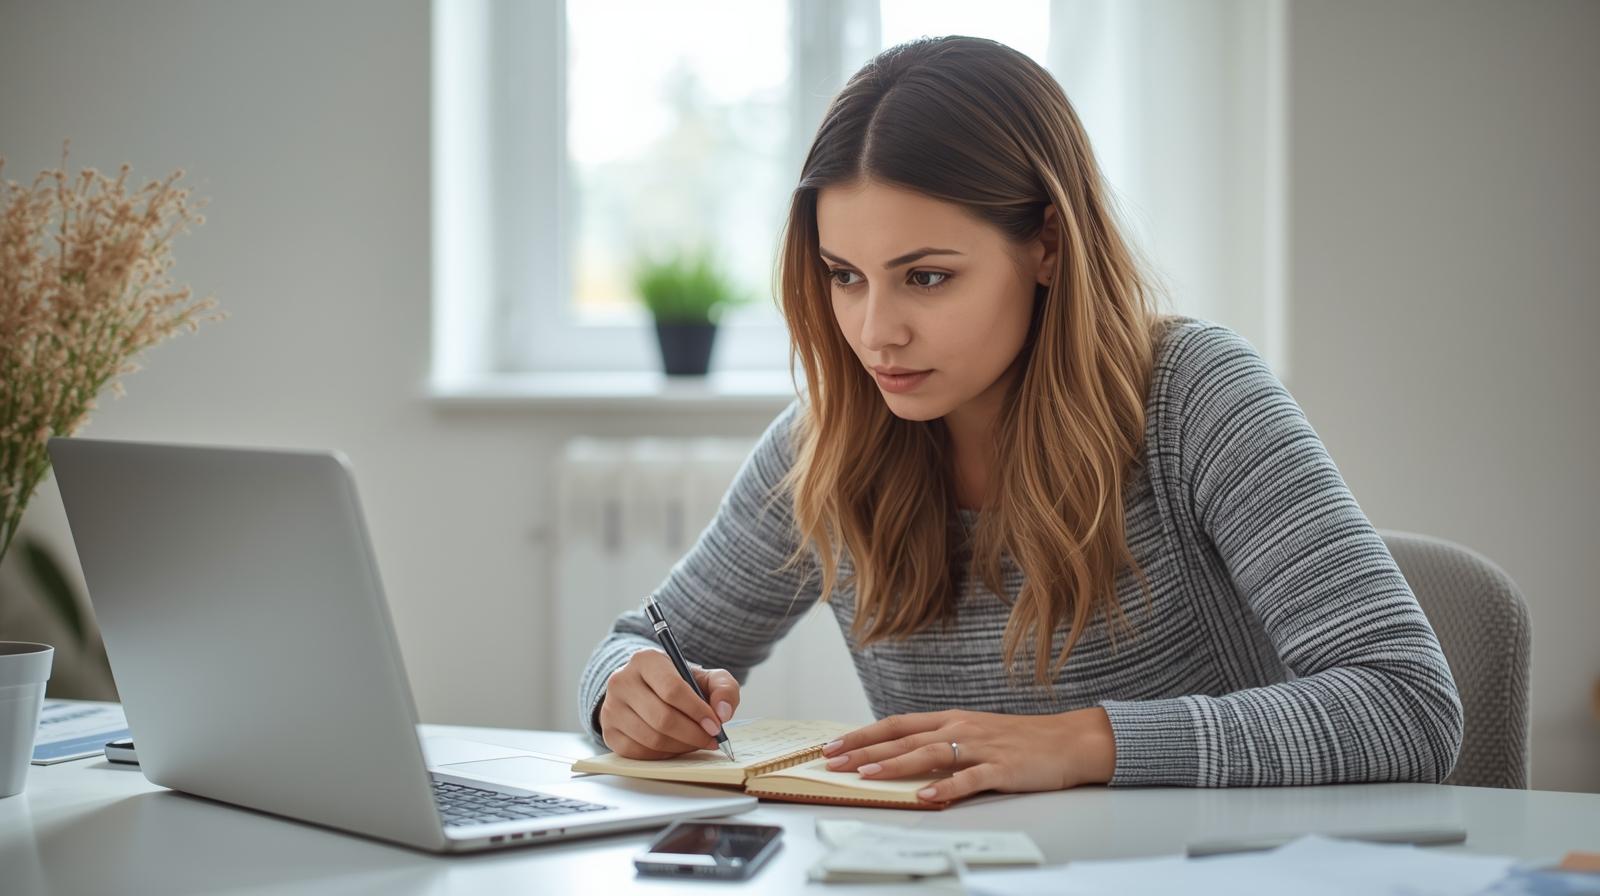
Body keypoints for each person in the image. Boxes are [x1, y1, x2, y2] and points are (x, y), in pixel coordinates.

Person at [577, 36, 1462, 804]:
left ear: (1045, 244)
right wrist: (623, 692)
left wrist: (1078, 745)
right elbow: (639, 645)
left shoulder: (1194, 396)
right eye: (846, 275)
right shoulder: (824, 447)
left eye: (927, 276)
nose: (875, 332)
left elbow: (1407, 703)